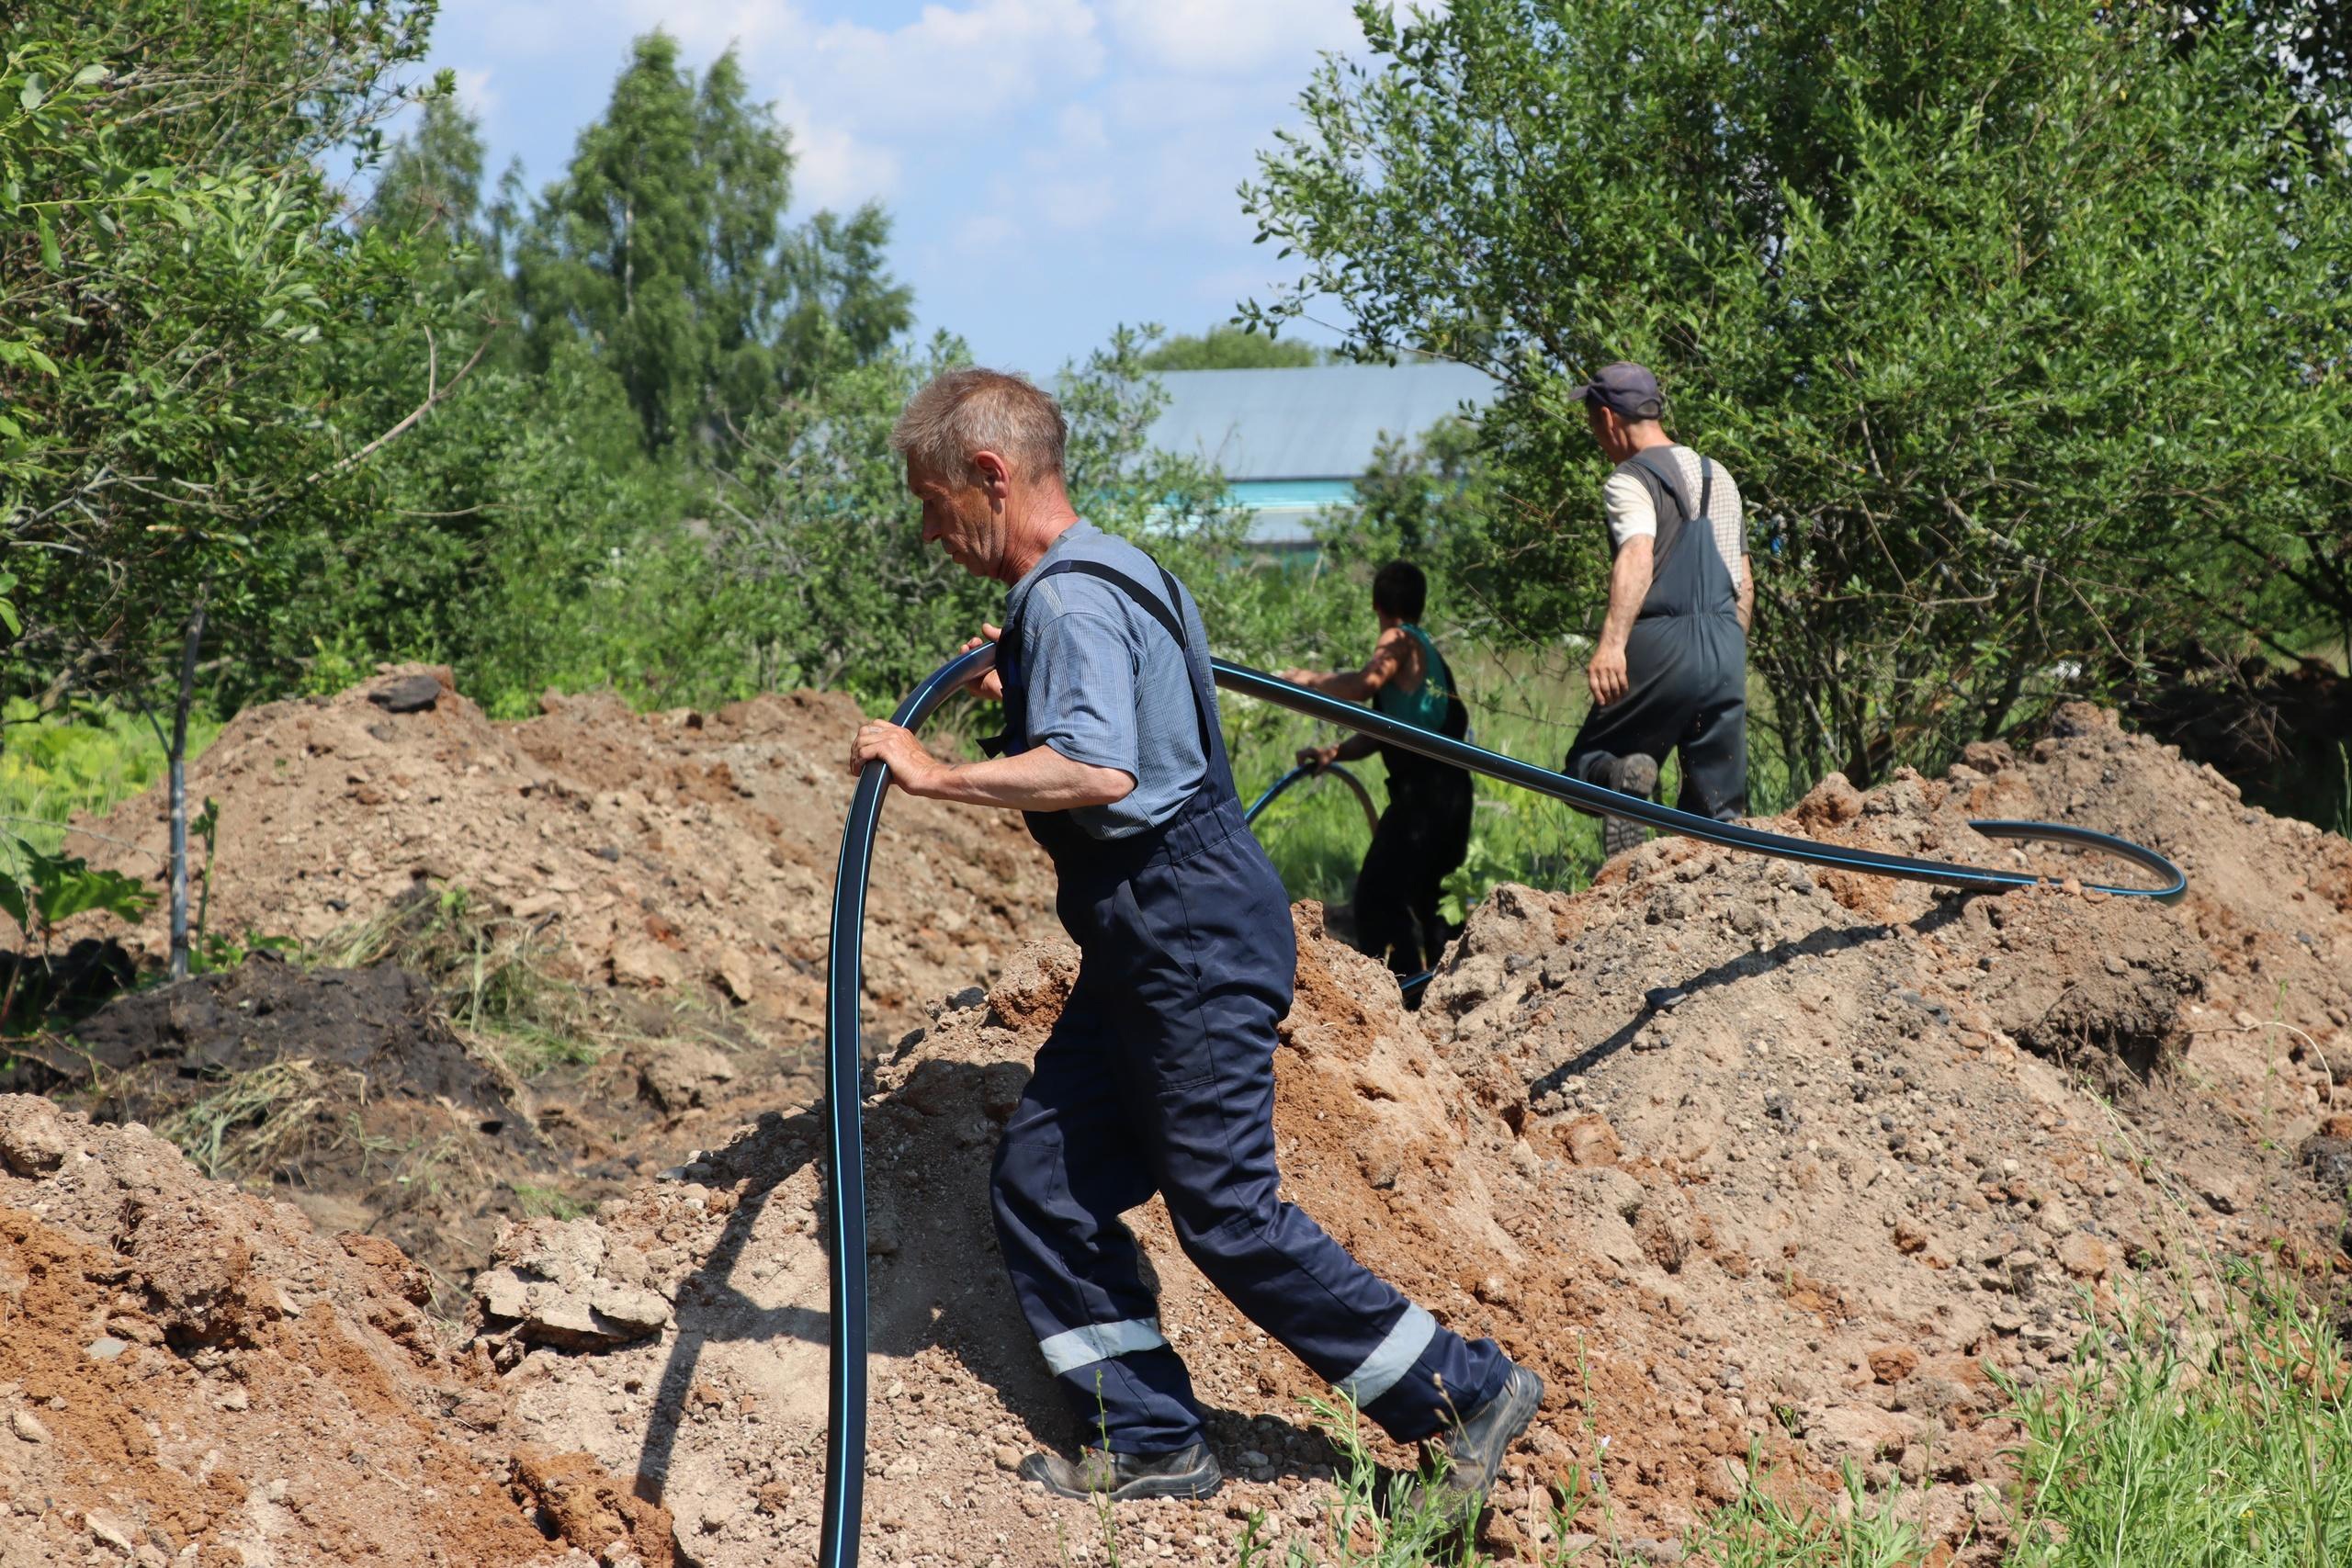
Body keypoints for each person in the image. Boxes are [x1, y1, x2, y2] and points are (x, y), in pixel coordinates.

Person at [849, 368, 1540, 1509]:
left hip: (1183, 928)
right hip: (1157, 929)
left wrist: (935, 773)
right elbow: (1128, 714)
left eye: (933, 502)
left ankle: (1461, 1390)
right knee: (1046, 1184)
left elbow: (1099, 767)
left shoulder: (1066, 599)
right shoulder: (1117, 571)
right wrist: (1021, 672)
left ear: (990, 474)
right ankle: (1154, 1439)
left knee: (1225, 1215)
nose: (931, 532)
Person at [1560, 361, 1751, 855]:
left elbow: (1638, 553)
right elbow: (1744, 582)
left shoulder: (1631, 479)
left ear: (1606, 418)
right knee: (1717, 814)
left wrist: (1612, 644)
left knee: (1584, 768)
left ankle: (1621, 775)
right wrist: (1725, 657)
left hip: (1663, 643)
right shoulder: (1721, 476)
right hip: (1727, 643)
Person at [1281, 561, 1473, 979]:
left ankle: (1397, 992)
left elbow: (1363, 684)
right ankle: (1442, 993)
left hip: (1426, 800)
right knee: (1427, 901)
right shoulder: (1426, 654)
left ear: (1376, 604)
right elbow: (1384, 733)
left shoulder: (1399, 639)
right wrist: (1336, 751)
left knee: (1376, 897)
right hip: (1450, 796)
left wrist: (1306, 680)